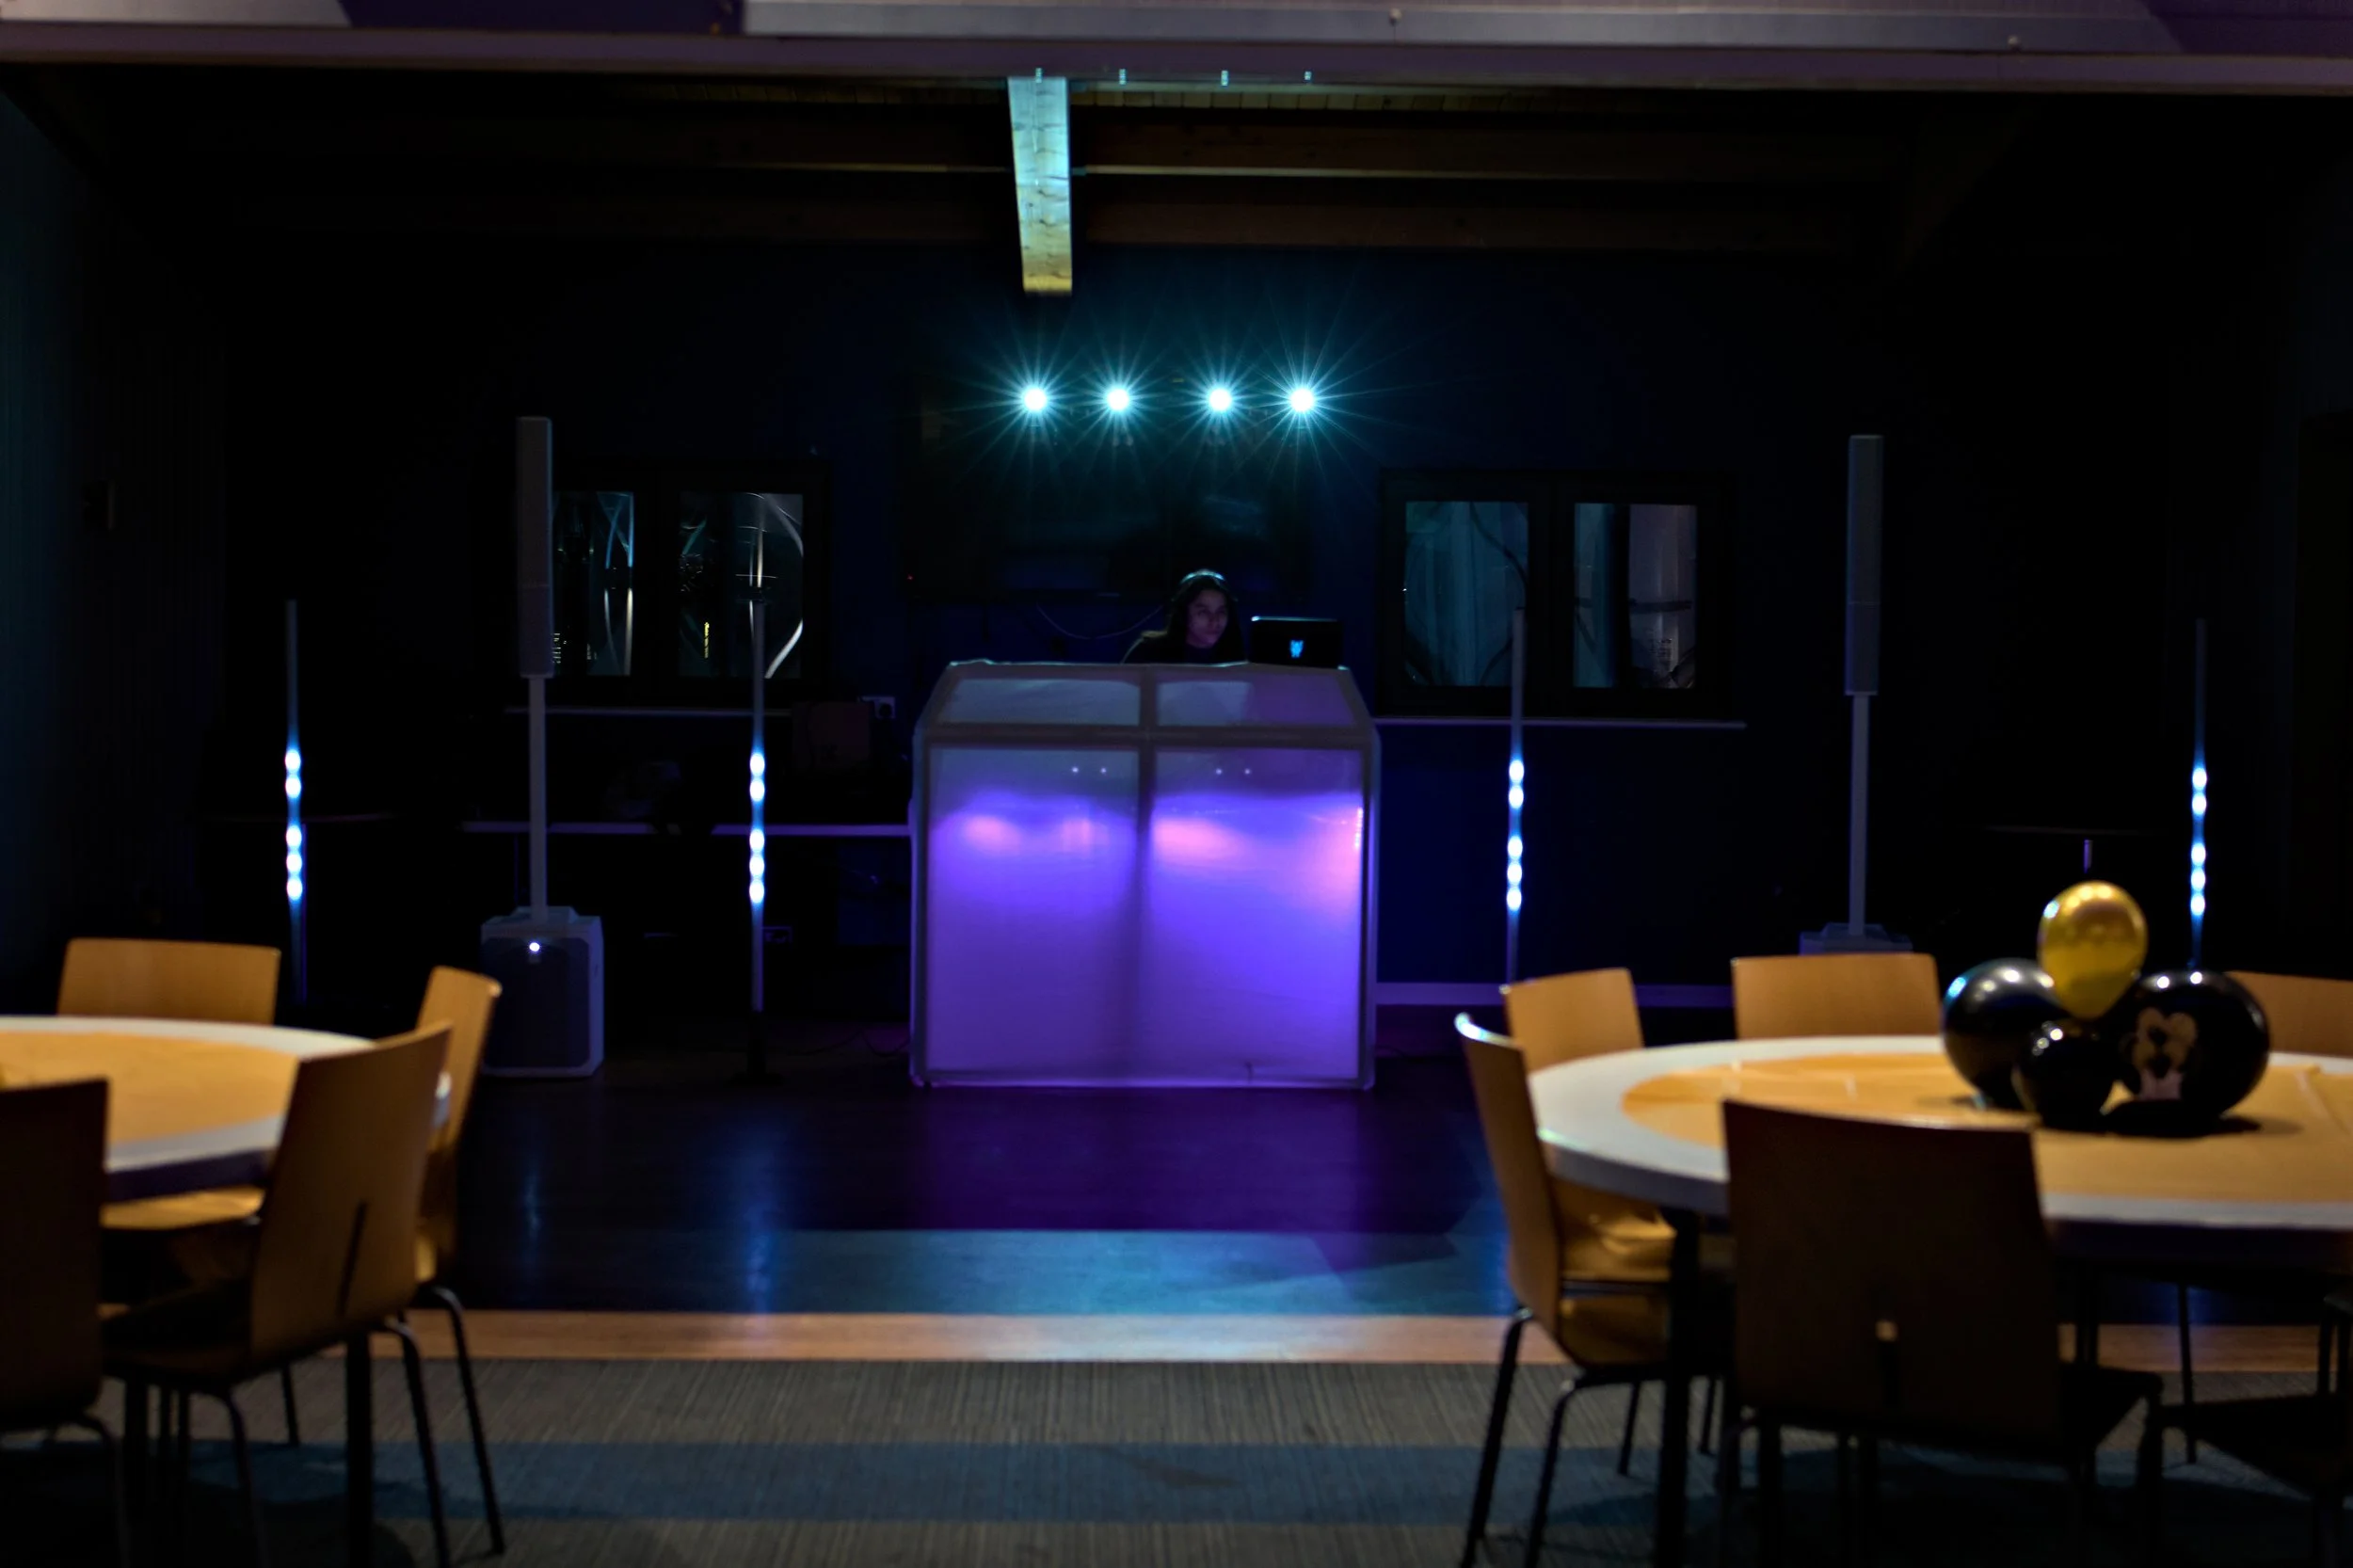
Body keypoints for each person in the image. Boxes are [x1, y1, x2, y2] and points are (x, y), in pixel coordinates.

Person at [1123, 569, 1245, 664]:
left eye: (1221, 612)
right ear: (1183, 613)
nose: (1214, 622)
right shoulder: (1147, 653)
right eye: (1203, 612)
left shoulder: (1236, 658)